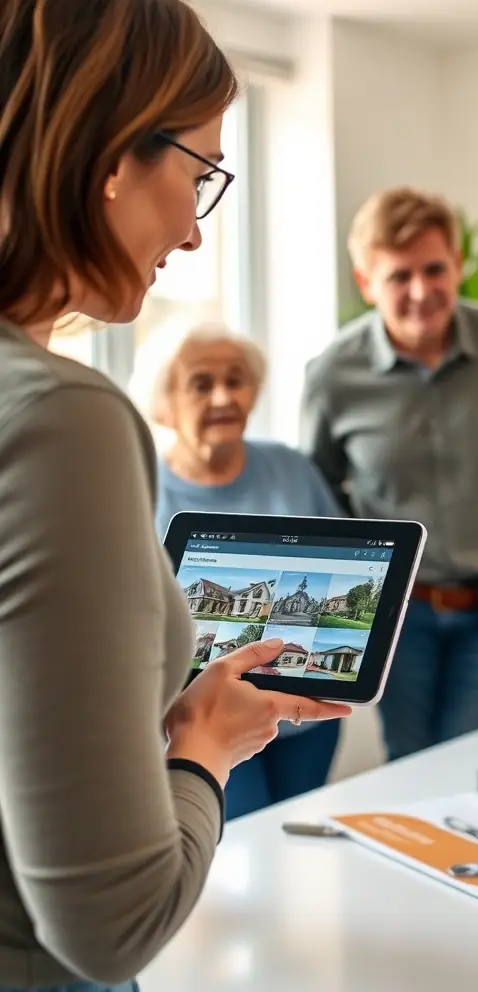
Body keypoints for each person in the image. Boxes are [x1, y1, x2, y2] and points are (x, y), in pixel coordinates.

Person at [0, 0, 351, 991]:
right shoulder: (62, 417)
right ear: (116, 157)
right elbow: (112, 924)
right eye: (200, 175)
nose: (197, 228)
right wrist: (203, 741)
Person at [301, 186, 478, 761]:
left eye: (435, 269)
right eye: (398, 276)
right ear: (366, 283)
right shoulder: (333, 375)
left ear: (459, 265)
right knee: (410, 766)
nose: (421, 291)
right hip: (395, 618)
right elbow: (318, 490)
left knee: (474, 765)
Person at [130, 323, 344, 820]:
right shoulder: (138, 490)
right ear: (164, 402)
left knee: (294, 834)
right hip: (208, 718)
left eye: (236, 380)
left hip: (304, 716)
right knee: (237, 840)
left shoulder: (292, 468)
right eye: (201, 383)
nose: (224, 396)